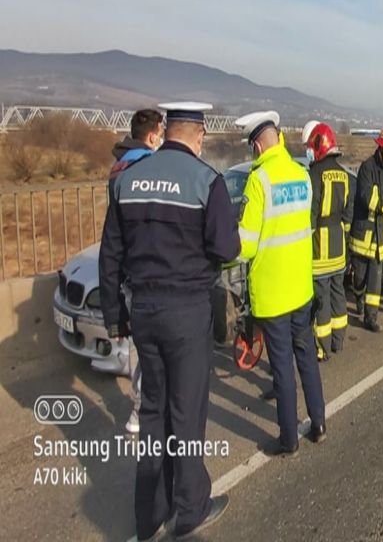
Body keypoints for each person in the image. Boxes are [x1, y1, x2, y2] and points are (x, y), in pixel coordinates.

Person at [99, 102, 238, 542]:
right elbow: (227, 248)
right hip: (187, 311)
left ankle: (149, 516)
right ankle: (191, 508)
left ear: (164, 132)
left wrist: (114, 315)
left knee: (153, 411)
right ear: (197, 136)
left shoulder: (128, 178)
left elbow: (110, 255)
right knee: (188, 411)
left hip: (143, 312)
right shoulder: (206, 181)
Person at [235, 111, 326, 456]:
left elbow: (244, 244)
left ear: (257, 145)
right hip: (301, 288)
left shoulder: (259, 181)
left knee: (282, 369)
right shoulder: (301, 175)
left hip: (273, 295)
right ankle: (318, 423)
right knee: (306, 359)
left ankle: (289, 439)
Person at [107, 108, 164, 436]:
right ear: (154, 134)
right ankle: (144, 409)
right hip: (145, 270)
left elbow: (112, 238)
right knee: (149, 348)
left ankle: (141, 405)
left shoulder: (118, 168)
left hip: (127, 271)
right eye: (161, 131)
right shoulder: (146, 168)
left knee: (139, 347)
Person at [306, 123, 353, 358]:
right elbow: (348, 213)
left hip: (320, 247)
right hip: (338, 245)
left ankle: (322, 348)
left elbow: (311, 213)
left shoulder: (315, 173)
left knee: (321, 298)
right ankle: (338, 341)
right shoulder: (343, 174)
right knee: (338, 294)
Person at [350, 129, 383, 332]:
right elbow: (365, 196)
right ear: (380, 150)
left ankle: (371, 318)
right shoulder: (366, 168)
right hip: (363, 235)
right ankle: (358, 298)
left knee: (375, 281)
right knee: (359, 278)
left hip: (379, 236)